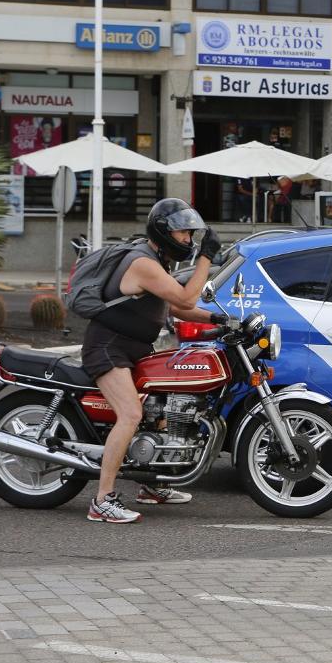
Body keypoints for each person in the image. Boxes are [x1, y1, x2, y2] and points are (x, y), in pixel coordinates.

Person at [83, 198, 224, 524]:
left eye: (191, 234)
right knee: (131, 414)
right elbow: (185, 297)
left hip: (134, 348)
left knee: (157, 410)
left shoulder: (158, 263)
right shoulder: (142, 263)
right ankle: (102, 500)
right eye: (183, 233)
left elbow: (174, 306)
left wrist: (218, 319)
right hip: (108, 348)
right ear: (163, 232)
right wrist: (206, 257)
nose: (188, 239)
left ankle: (152, 484)